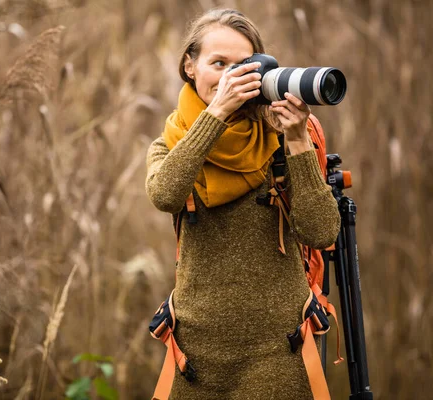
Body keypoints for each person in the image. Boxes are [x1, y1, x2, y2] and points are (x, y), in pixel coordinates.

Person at [145, 8, 341, 400]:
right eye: (218, 64)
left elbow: (321, 232)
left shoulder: (280, 141)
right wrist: (216, 112)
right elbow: (165, 195)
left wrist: (299, 139)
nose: (231, 77)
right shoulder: (171, 143)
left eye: (242, 66)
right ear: (190, 66)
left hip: (276, 351)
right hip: (194, 356)